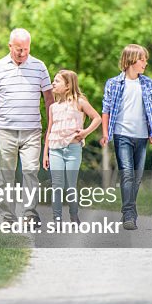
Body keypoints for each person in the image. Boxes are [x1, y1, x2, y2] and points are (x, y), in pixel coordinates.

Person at [0, 28, 55, 224]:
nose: (22, 53)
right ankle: (8, 217)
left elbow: (49, 99)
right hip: (4, 130)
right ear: (10, 46)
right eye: (18, 49)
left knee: (30, 172)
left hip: (32, 130)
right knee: (5, 176)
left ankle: (29, 214)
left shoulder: (39, 67)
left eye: (26, 49)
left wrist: (51, 128)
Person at [100, 44, 152, 230]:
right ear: (131, 60)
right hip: (122, 134)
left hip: (141, 136)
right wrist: (105, 133)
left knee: (137, 177)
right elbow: (106, 110)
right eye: (142, 59)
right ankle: (128, 213)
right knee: (127, 174)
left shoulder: (147, 83)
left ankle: (130, 211)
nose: (145, 63)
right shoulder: (114, 83)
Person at [42, 69, 101, 224]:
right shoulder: (53, 107)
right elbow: (49, 130)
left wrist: (85, 132)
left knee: (71, 185)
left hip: (73, 149)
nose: (53, 83)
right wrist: (45, 153)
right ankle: (57, 218)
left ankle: (74, 216)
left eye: (57, 81)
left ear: (68, 86)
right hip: (55, 149)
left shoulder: (79, 102)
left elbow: (97, 118)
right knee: (57, 185)